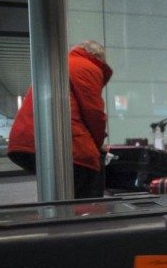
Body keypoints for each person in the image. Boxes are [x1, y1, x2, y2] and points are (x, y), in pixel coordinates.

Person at [7, 40, 113, 199]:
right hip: (60, 140)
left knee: (61, 192)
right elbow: (94, 113)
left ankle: (58, 218)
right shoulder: (88, 66)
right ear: (98, 56)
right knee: (90, 177)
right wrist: (98, 145)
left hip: (27, 140)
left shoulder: (60, 64)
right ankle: (86, 221)